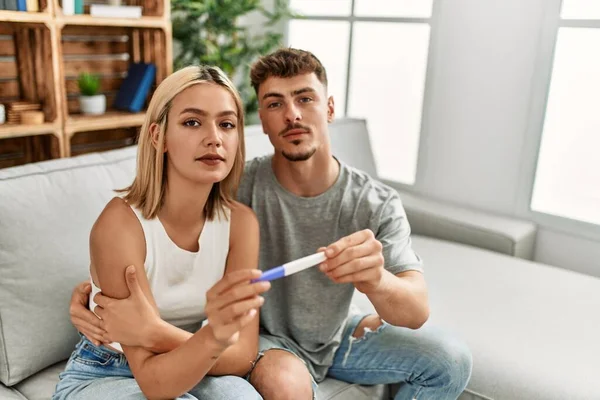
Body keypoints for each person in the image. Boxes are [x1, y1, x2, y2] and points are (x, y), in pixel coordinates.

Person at [70, 48, 473, 400]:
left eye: (305, 98)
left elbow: (416, 309)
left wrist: (376, 281)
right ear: (261, 121)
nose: (293, 114)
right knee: (281, 384)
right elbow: (148, 238)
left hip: (329, 334)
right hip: (263, 341)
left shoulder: (371, 202)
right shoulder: (232, 185)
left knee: (449, 360)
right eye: (276, 103)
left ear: (329, 108)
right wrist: (91, 297)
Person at [53, 65, 270, 400]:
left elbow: (242, 357)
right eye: (192, 122)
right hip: (108, 368)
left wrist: (155, 331)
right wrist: (212, 340)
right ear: (158, 136)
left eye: (226, 124)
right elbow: (156, 383)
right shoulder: (120, 225)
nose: (214, 137)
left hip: (196, 358)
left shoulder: (241, 224)